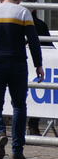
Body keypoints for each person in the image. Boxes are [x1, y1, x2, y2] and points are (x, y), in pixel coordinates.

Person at [0, 0, 45, 159]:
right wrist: (38, 65)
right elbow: (33, 41)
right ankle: (17, 151)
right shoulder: (23, 12)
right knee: (19, 105)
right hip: (17, 63)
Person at [27, 8, 51, 136]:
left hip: (24, 63)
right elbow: (49, 44)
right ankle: (33, 125)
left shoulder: (21, 24)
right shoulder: (41, 24)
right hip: (38, 64)